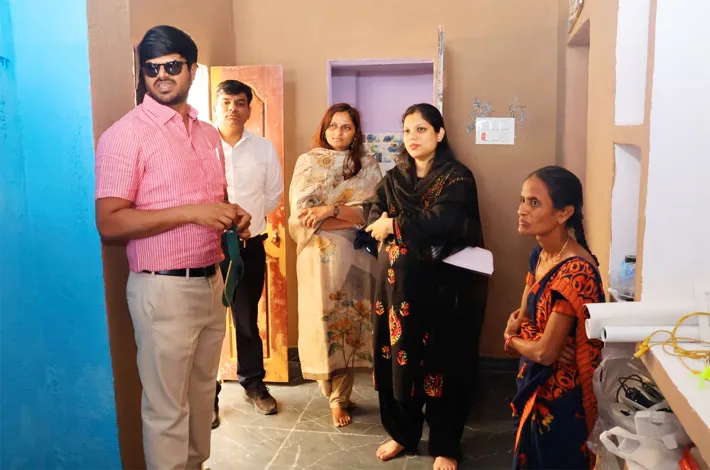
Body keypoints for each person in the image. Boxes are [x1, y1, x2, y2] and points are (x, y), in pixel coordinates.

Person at [94, 25, 251, 470]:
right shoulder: (126, 135)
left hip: (211, 282)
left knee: (202, 396)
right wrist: (191, 213)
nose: (161, 75)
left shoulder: (206, 134)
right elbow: (109, 221)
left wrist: (230, 214)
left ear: (192, 69)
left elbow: (210, 202)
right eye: (151, 68)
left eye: (172, 66)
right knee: (167, 409)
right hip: (162, 290)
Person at [365, 103, 485, 470]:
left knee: (442, 364)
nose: (412, 137)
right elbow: (373, 212)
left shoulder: (457, 178)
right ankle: (402, 433)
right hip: (396, 293)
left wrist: (395, 225)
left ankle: (445, 444)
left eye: (421, 129)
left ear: (439, 133)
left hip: (442, 292)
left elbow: (445, 221)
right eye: (407, 131)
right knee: (397, 361)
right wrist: (384, 223)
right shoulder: (394, 178)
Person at [288, 103, 382, 427]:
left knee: (350, 320)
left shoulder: (368, 165)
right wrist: (341, 217)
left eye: (346, 127)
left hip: (356, 254)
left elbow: (371, 212)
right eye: (333, 126)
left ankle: (340, 396)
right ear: (324, 129)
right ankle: (333, 396)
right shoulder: (308, 162)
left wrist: (329, 210)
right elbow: (302, 214)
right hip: (317, 255)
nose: (338, 132)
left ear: (356, 132)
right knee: (322, 322)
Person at [504, 166, 604, 469]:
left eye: (534, 203)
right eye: (522, 200)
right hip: (536, 381)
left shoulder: (575, 271)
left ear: (564, 213)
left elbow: (544, 353)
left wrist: (511, 339)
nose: (522, 210)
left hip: (561, 396)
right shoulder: (540, 254)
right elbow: (524, 316)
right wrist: (528, 334)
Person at [211, 79, 284, 427]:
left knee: (246, 319)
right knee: (208, 322)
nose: (233, 109)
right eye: (226, 102)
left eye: (240, 103)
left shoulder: (263, 148)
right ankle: (208, 395)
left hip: (248, 246)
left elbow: (273, 194)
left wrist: (246, 221)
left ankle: (253, 383)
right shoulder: (202, 146)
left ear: (249, 109)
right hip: (207, 248)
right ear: (216, 106)